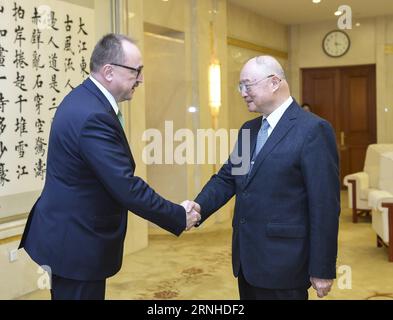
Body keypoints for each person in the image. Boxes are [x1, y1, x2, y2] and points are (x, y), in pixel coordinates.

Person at [19, 34, 200, 300]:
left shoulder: (85, 99)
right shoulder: (93, 115)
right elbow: (126, 187)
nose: (141, 79)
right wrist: (176, 215)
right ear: (109, 71)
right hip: (77, 243)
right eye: (136, 71)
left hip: (69, 236)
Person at [188, 56, 340, 300]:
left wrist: (322, 268)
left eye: (248, 85)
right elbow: (228, 178)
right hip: (247, 262)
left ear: (274, 82)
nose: (243, 93)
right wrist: (198, 207)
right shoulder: (250, 129)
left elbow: (325, 206)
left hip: (286, 265)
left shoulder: (313, 130)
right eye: (241, 87)